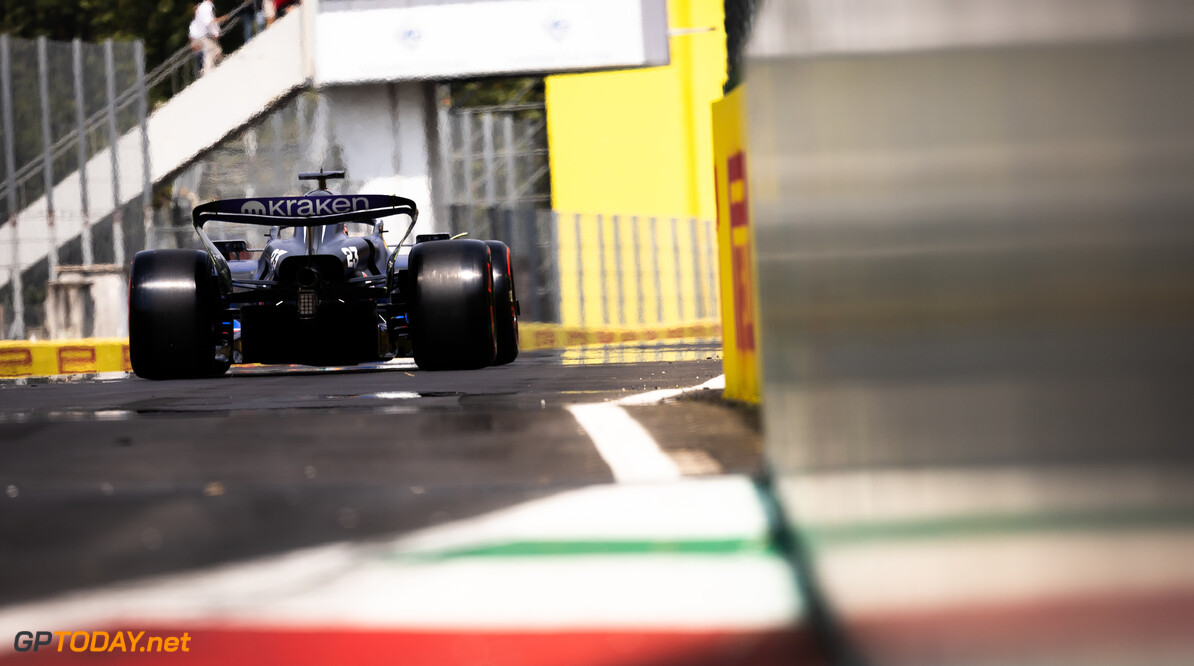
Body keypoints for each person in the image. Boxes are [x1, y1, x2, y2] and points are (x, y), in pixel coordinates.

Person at [194, 0, 224, 75]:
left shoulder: (202, 7)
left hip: (203, 33)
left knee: (216, 50)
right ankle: (207, 72)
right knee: (210, 53)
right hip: (205, 34)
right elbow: (209, 21)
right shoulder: (207, 7)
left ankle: (221, 65)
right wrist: (222, 19)